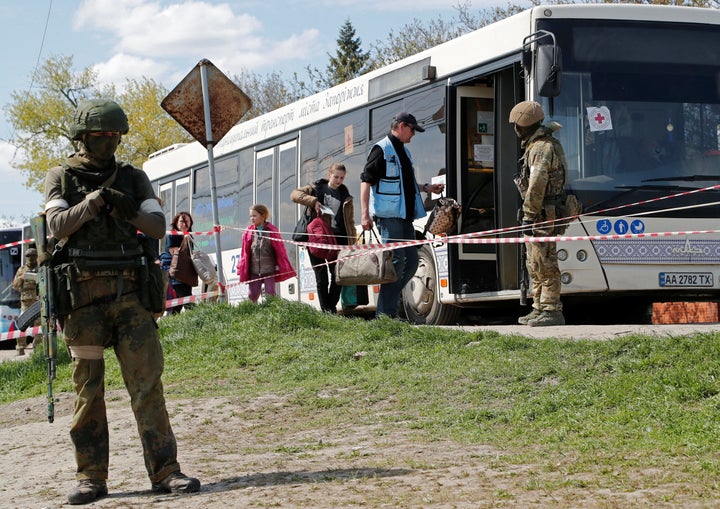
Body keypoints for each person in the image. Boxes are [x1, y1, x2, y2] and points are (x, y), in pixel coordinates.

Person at [43, 99, 200, 504]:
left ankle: (166, 471)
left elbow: (158, 225)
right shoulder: (61, 176)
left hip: (130, 296)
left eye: (115, 136)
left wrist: (126, 209)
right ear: (82, 137)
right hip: (83, 300)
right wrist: (94, 202)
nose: (109, 143)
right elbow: (58, 225)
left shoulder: (134, 178)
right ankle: (91, 478)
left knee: (147, 386)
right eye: (101, 136)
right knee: (88, 392)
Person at [360, 112, 444, 318]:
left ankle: (388, 309)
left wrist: (426, 187)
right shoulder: (381, 149)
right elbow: (366, 181)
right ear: (401, 126)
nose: (413, 134)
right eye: (413, 129)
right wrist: (364, 214)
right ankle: (385, 314)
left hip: (405, 217)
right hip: (388, 217)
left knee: (412, 262)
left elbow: (403, 185)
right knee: (396, 261)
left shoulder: (404, 153)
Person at [510, 100, 567, 327]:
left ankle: (552, 310)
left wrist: (528, 214)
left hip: (543, 214)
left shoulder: (542, 147)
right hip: (541, 213)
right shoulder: (537, 145)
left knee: (545, 262)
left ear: (523, 125)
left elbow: (537, 184)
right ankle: (539, 307)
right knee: (534, 262)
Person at [291, 163, 355, 313]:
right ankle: (328, 312)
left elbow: (350, 221)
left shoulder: (344, 193)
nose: (339, 180)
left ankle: (329, 309)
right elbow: (294, 194)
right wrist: (313, 201)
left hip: (337, 240)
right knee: (321, 277)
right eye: (336, 177)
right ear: (329, 175)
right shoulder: (317, 188)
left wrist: (352, 242)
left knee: (338, 276)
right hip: (317, 239)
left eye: (342, 178)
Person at [236, 204, 296, 302]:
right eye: (250, 216)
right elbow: (244, 253)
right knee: (252, 295)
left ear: (263, 216)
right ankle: (251, 314)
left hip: (269, 270)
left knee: (270, 294)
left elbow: (280, 250)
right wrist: (242, 267)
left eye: (254, 216)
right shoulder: (248, 232)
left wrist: (280, 265)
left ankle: (272, 314)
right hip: (254, 271)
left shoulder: (272, 230)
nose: (252, 218)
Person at [160, 211, 197, 314]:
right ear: (176, 222)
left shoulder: (189, 236)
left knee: (178, 304)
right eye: (181, 221)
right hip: (176, 272)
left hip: (187, 272)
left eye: (187, 222)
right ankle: (198, 317)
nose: (184, 224)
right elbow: (174, 252)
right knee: (186, 298)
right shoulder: (172, 235)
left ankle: (172, 322)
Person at [11, 248, 41, 355]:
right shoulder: (21, 269)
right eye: (29, 256)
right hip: (25, 303)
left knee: (39, 326)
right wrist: (22, 278)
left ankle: (38, 348)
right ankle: (20, 348)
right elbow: (14, 285)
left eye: (33, 256)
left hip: (38, 301)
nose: (31, 258)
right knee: (22, 324)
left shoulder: (40, 268)